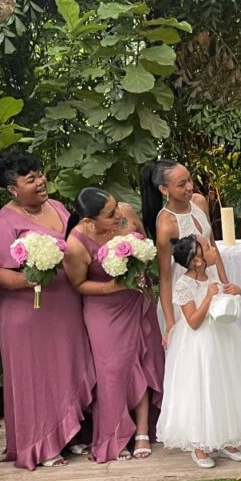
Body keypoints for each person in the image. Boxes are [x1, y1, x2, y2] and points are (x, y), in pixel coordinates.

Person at [0, 149, 96, 469]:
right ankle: (41, 443)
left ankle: (67, 435)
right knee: (37, 376)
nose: (41, 181)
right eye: (30, 179)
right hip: (27, 312)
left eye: (40, 174)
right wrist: (31, 279)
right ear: (13, 189)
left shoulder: (57, 207)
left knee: (66, 368)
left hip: (65, 306)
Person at [157, 236, 241, 467]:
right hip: (199, 344)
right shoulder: (183, 285)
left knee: (225, 385)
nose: (214, 249)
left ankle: (227, 438)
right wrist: (209, 296)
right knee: (203, 388)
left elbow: (223, 305)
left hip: (222, 337)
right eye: (208, 248)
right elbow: (193, 321)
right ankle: (200, 444)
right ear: (197, 260)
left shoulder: (210, 276)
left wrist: (235, 290)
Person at [64, 188, 165, 463]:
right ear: (88, 220)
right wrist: (112, 286)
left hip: (137, 302)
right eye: (110, 214)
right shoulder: (76, 244)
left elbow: (146, 250)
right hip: (104, 310)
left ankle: (143, 431)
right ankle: (114, 433)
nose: (118, 215)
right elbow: (78, 284)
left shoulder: (126, 214)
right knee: (112, 372)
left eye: (115, 208)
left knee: (141, 361)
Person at [140, 159, 233, 345]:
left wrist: (225, 283)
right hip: (186, 288)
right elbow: (165, 278)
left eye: (189, 179)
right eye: (182, 184)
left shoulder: (199, 202)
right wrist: (170, 323)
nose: (190, 187)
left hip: (209, 277)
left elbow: (213, 248)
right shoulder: (167, 224)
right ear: (164, 189)